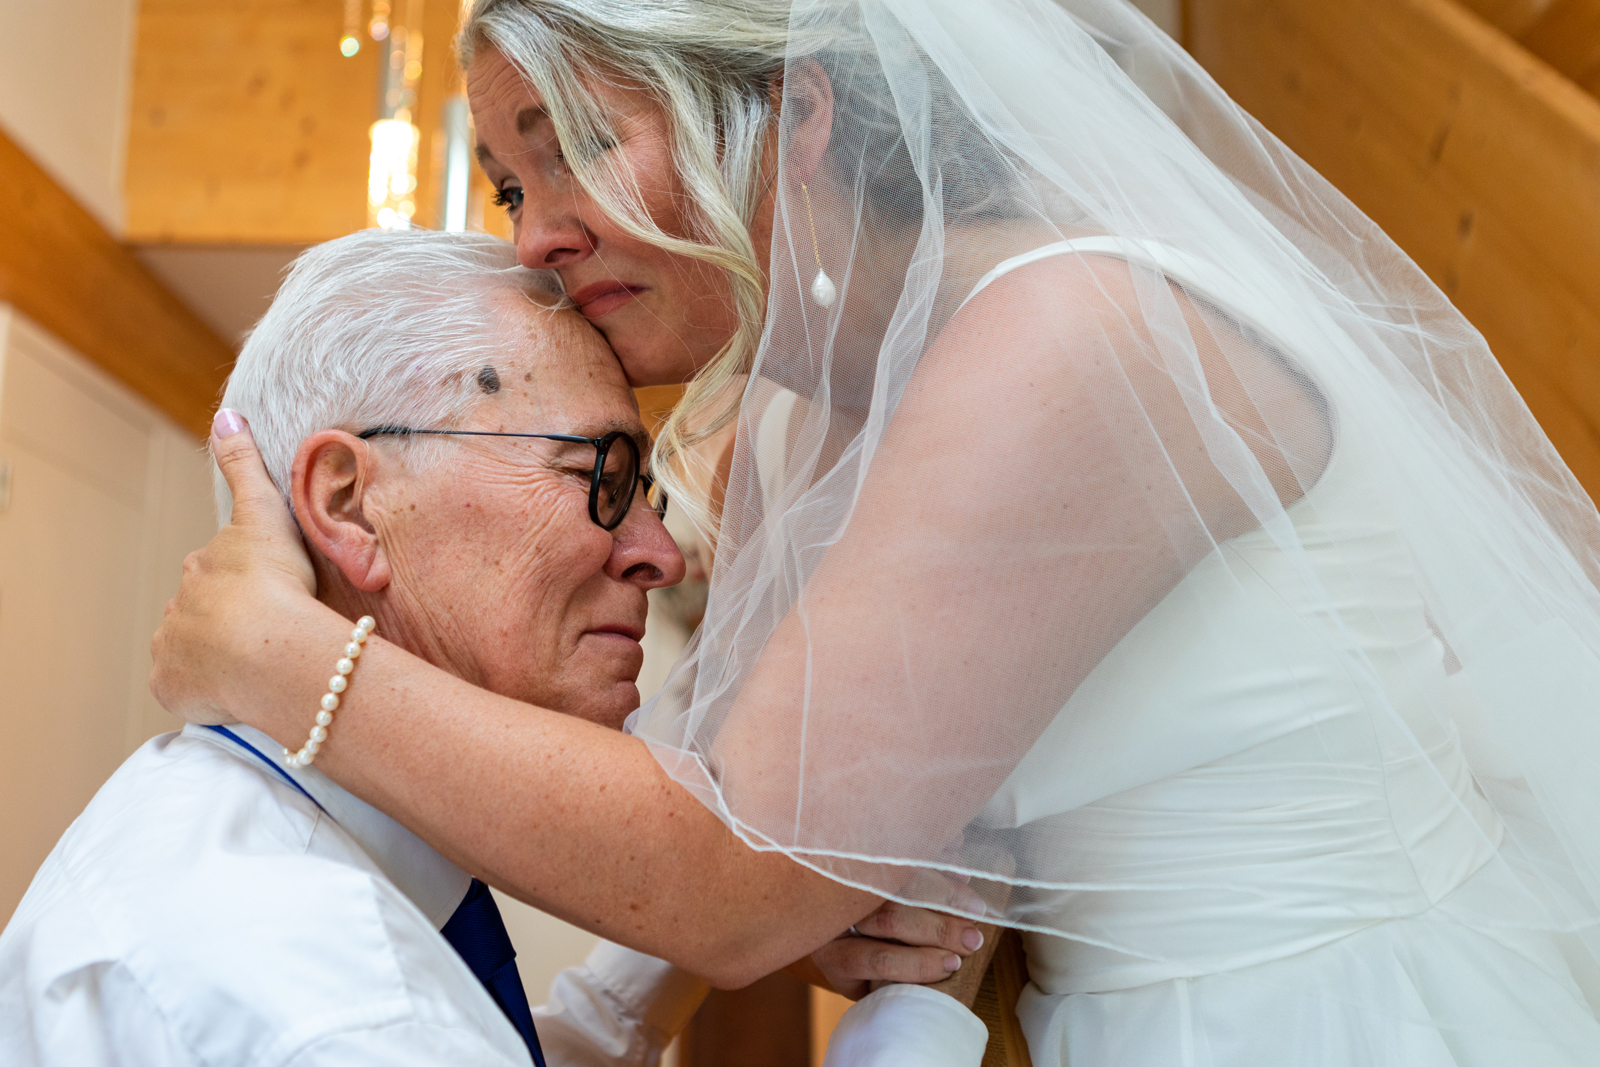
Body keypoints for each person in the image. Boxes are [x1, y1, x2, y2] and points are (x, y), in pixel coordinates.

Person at [151, 0, 1600, 1062]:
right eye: (514, 185)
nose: (537, 234)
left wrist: (280, 656)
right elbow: (746, 798)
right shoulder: (789, 411)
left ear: (798, 114)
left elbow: (725, 872)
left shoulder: (1078, 333)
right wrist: (632, 1003)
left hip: (1326, 1011)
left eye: (580, 142)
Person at [0, 231, 987, 1067]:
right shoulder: (327, 997)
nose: (658, 552)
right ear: (351, 503)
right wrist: (928, 1011)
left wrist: (710, 923)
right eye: (599, 472)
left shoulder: (249, 836)